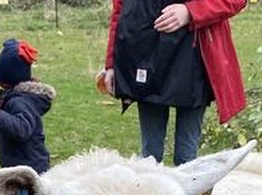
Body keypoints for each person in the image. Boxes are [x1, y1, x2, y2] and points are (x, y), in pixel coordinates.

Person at [102, 0, 247, 166]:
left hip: (192, 63)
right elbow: (120, 9)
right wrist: (111, 64)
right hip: (145, 58)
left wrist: (190, 12)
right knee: (150, 158)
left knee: (186, 158)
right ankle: (151, 191)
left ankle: (189, 191)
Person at [0, 39, 55, 173]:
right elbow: (3, 104)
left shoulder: (20, 101)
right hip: (19, 168)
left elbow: (21, 128)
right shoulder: (13, 96)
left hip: (30, 172)